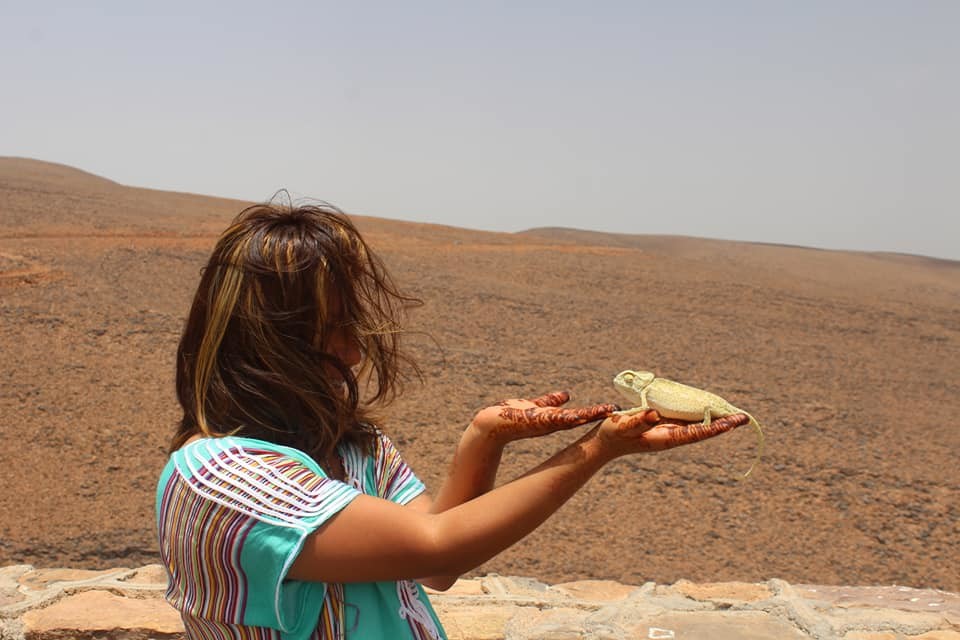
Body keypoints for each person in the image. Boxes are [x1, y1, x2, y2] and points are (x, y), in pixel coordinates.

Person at [156, 201, 747, 639]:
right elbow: (434, 548)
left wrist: (483, 438)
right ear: (268, 340)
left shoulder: (351, 446)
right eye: (334, 331)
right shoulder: (217, 480)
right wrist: (596, 450)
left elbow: (438, 565)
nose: (357, 353)